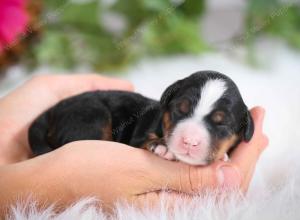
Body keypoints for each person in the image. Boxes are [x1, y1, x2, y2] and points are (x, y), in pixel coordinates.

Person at [0, 74, 268, 216]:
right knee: (93, 124)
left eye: (219, 124)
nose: (190, 136)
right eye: (181, 112)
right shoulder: (151, 129)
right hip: (89, 111)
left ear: (243, 130)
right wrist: (42, 179)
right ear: (167, 104)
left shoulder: (240, 129)